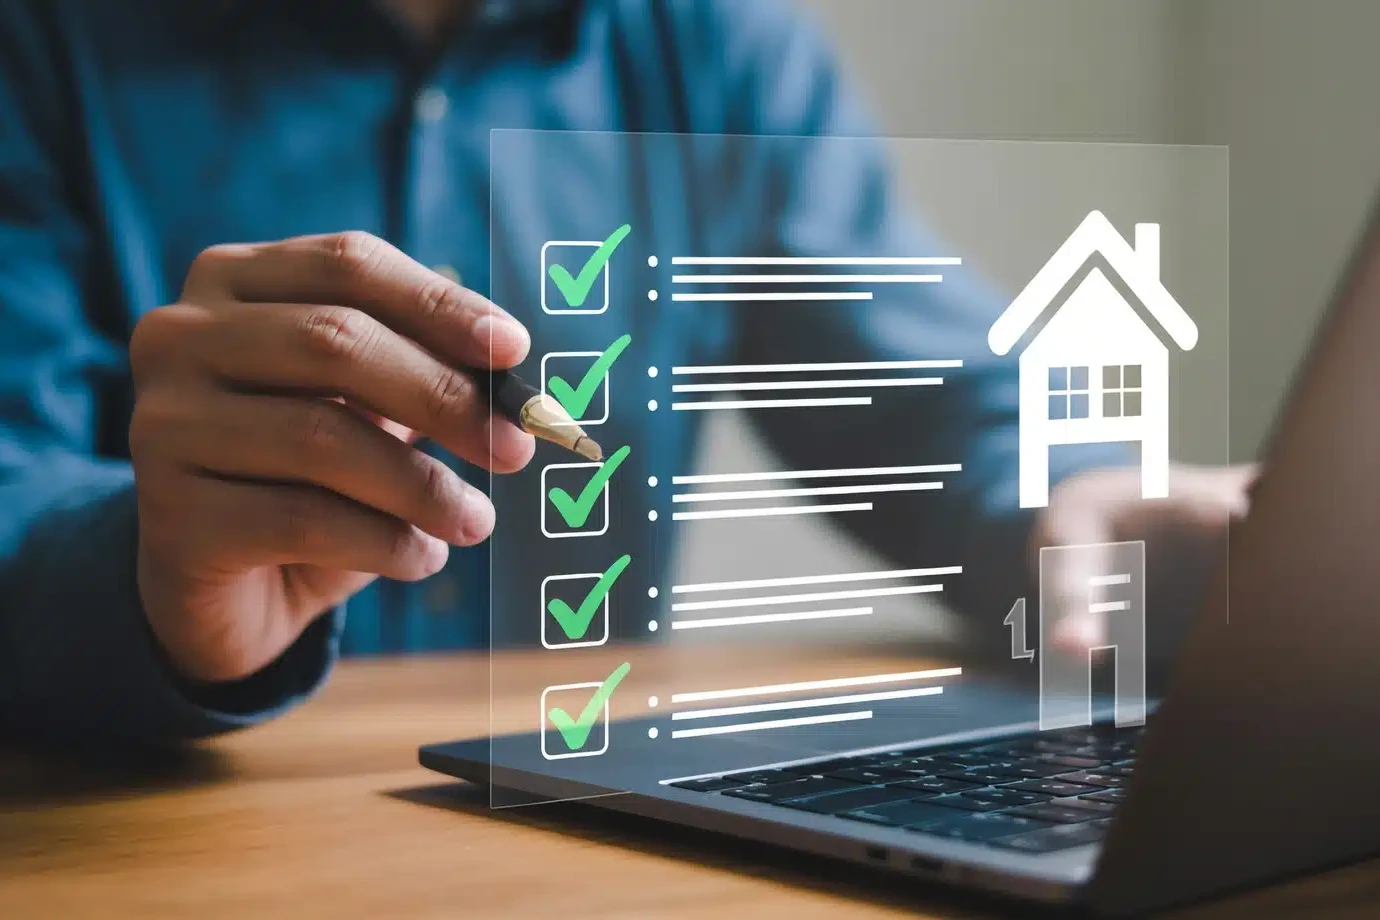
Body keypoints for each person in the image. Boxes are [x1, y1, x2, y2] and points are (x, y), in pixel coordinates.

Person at [0, 0, 1252, 743]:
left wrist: (1083, 496)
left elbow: (909, 373)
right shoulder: (44, 44)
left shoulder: (713, 43)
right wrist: (144, 581)